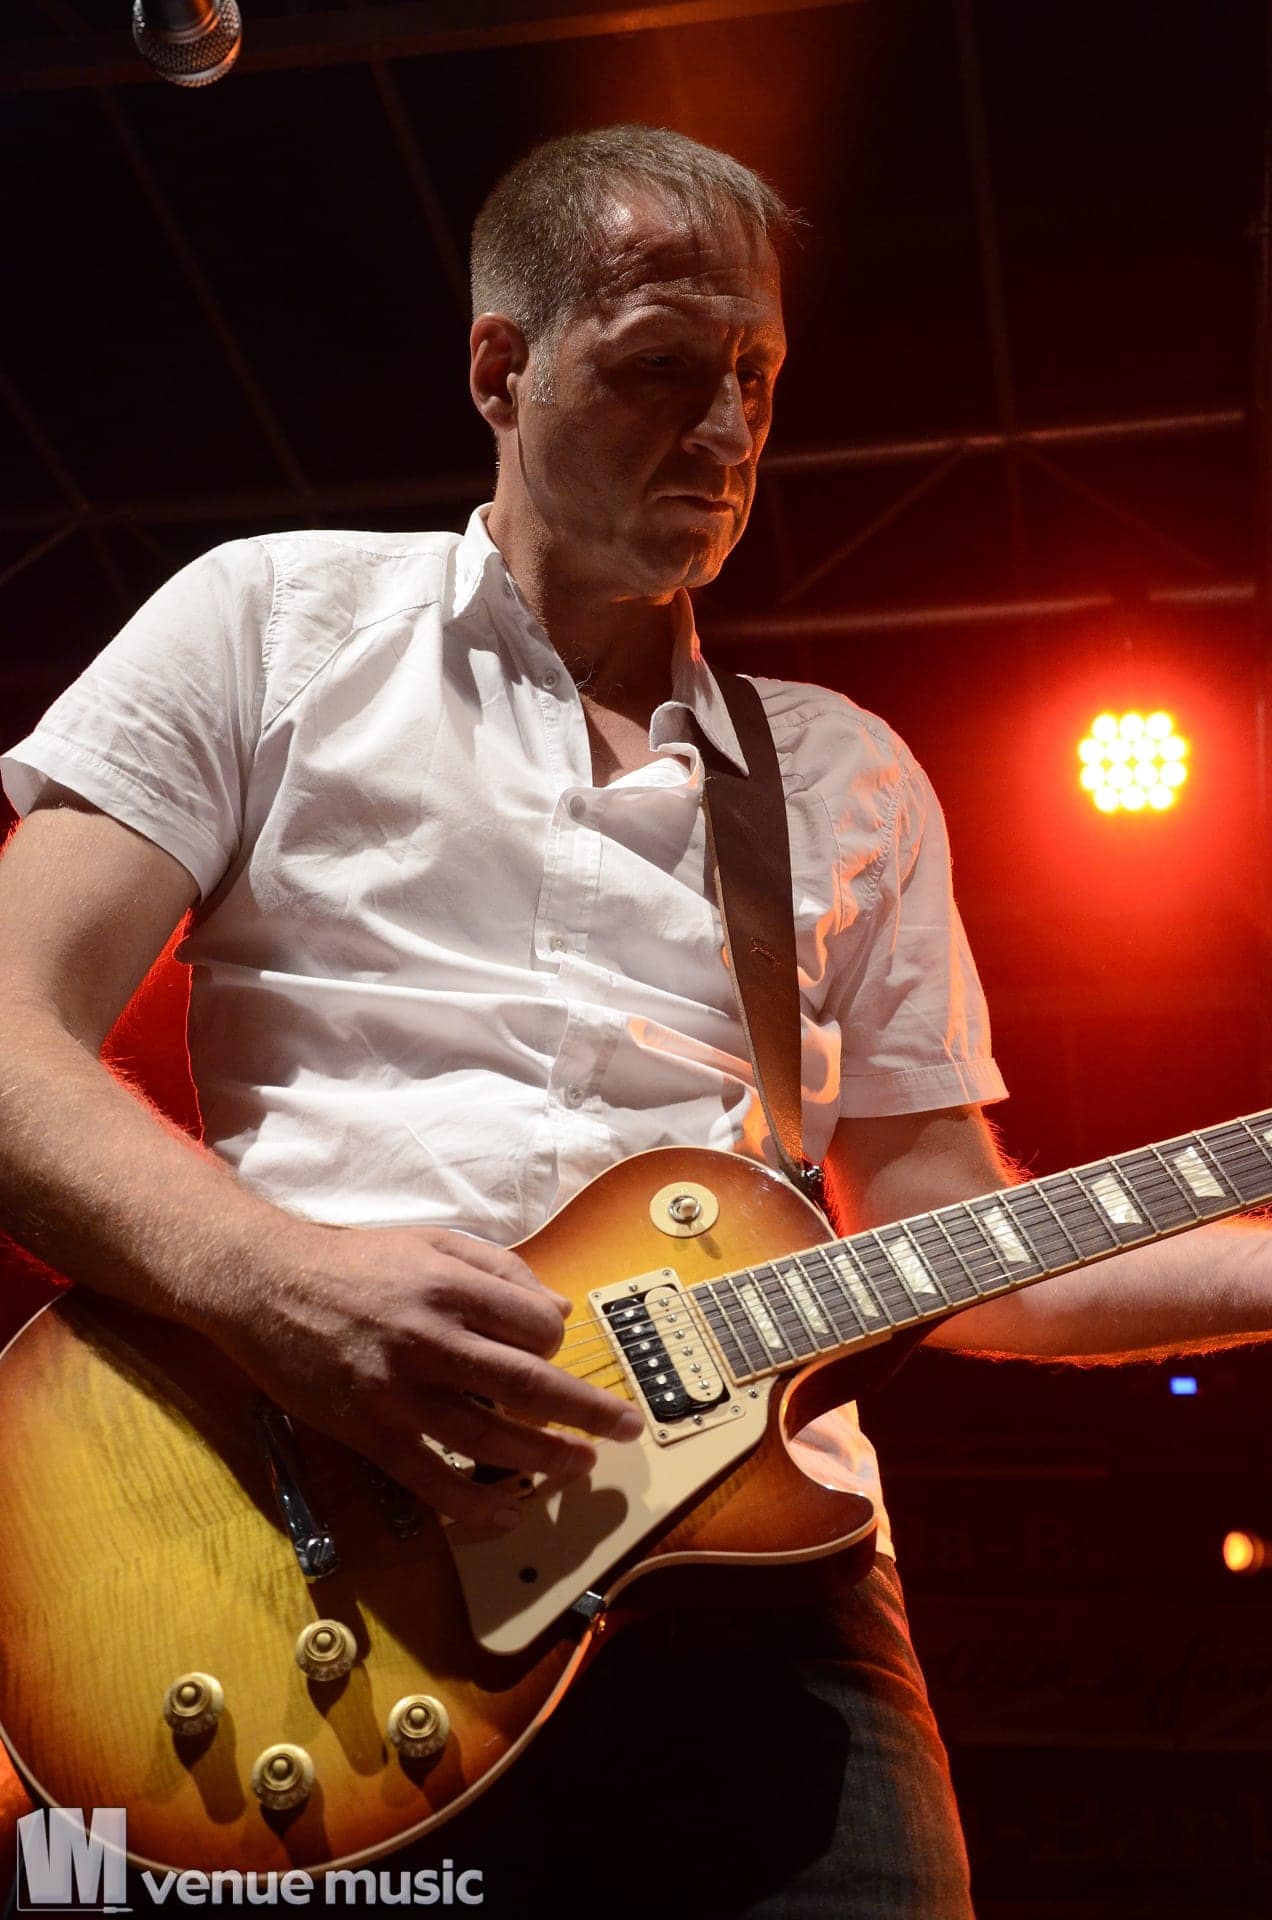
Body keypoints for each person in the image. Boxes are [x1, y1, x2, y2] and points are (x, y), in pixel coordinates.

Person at [1, 124, 1269, 1918]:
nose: (730, 429)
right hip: (306, 1545)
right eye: (666, 366)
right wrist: (273, 1285)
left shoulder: (843, 775)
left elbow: (944, 1233)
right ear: (500, 370)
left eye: (758, 375)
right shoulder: (272, 623)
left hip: (767, 1588)